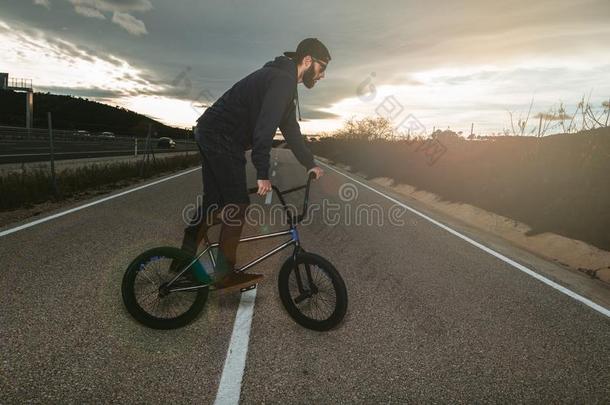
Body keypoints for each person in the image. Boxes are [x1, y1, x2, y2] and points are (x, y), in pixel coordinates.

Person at [179, 38, 330, 292]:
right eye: (322, 68)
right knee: (237, 203)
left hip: (212, 131)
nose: (322, 76)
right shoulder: (281, 81)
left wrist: (309, 163)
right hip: (221, 136)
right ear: (307, 61)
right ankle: (224, 275)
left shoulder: (283, 84)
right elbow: (265, 127)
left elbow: (291, 130)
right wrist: (262, 171)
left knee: (215, 202)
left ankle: (180, 263)